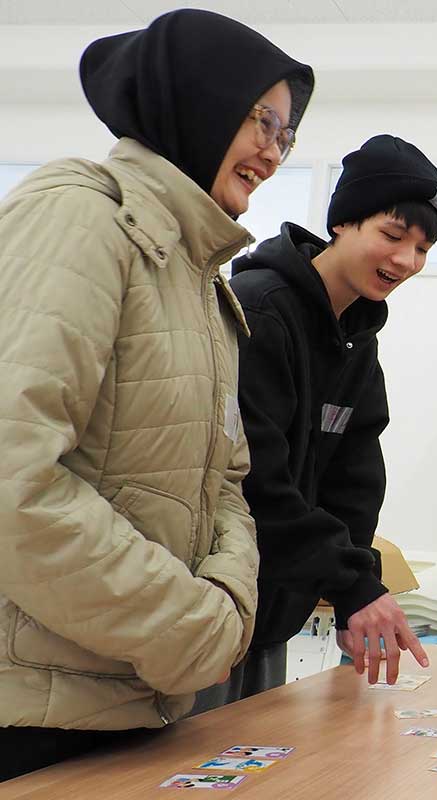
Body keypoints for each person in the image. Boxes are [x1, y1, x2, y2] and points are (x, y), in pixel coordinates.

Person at [0, 9, 313, 781]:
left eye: (288, 134)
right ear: (198, 102)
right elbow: (14, 479)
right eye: (262, 122)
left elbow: (228, 487)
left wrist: (223, 612)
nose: (273, 152)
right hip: (31, 717)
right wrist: (188, 628)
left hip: (137, 705)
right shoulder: (81, 218)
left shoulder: (200, 280)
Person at [192, 136, 437, 710]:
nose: (406, 261)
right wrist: (352, 583)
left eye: (423, 247)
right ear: (342, 224)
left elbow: (355, 479)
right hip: (208, 601)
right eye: (392, 235)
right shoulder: (259, 310)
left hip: (274, 608)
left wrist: (352, 588)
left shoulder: (357, 335)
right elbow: (256, 479)